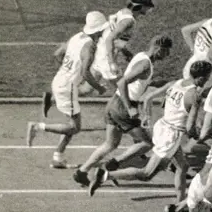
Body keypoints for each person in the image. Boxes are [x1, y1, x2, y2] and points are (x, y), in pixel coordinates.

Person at [88, 61, 212, 200]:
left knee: (182, 167)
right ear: (201, 77)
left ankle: (180, 202)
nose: (207, 81)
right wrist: (200, 136)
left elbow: (148, 98)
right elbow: (190, 127)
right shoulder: (194, 96)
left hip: (162, 126)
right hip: (171, 135)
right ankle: (105, 175)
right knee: (147, 174)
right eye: (207, 78)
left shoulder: (175, 83)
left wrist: (147, 116)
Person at [72, 34, 173, 186]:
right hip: (123, 107)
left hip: (113, 103)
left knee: (110, 144)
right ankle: (113, 165)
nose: (168, 55)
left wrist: (161, 83)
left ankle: (82, 172)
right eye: (166, 51)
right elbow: (122, 83)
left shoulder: (142, 56)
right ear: (159, 49)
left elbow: (137, 81)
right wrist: (130, 107)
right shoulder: (145, 64)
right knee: (147, 143)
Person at [27, 11, 109, 168]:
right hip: (67, 87)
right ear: (98, 30)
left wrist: (67, 71)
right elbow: (85, 72)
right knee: (75, 127)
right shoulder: (90, 47)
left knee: (71, 122)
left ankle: (58, 156)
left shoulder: (77, 37)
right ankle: (37, 127)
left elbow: (58, 54)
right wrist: (99, 88)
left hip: (60, 81)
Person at [80, 0, 154, 95]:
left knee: (86, 89)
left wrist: (125, 52)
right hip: (106, 58)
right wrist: (111, 63)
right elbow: (110, 38)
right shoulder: (128, 21)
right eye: (147, 6)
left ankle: (63, 94)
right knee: (124, 90)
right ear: (141, 6)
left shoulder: (123, 12)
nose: (148, 9)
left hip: (100, 52)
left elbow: (115, 37)